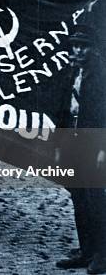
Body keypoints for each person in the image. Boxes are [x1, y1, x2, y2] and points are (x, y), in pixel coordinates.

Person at [55, 25, 106, 274]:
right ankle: (86, 250)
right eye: (74, 45)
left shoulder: (101, 76)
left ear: (93, 49)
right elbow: (63, 110)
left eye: (83, 46)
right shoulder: (71, 73)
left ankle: (102, 254)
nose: (77, 50)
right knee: (79, 198)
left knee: (96, 199)